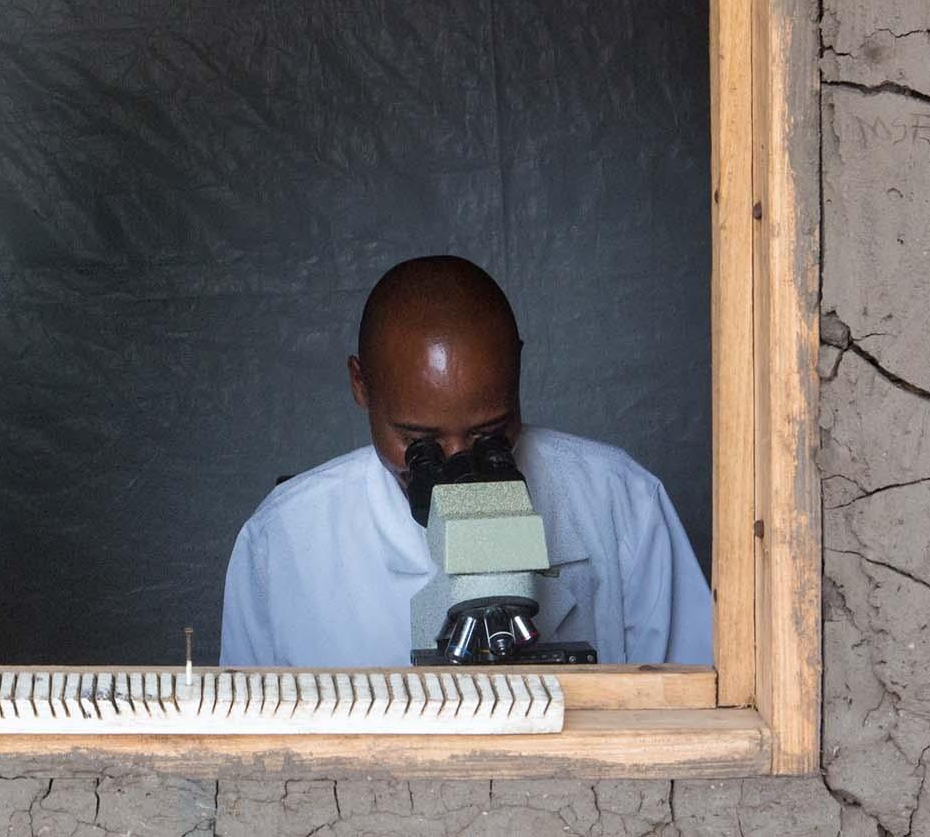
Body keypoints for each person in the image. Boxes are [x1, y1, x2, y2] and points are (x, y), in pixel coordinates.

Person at [219, 255, 711, 667]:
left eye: (488, 434)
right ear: (360, 384)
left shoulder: (620, 498)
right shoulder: (282, 538)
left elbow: (695, 692)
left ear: (517, 372)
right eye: (419, 441)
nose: (458, 464)